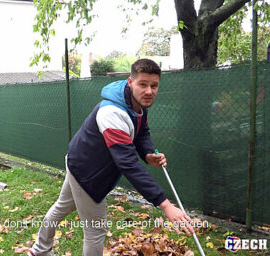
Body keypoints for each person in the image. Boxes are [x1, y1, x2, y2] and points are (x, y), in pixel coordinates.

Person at [29, 59, 194, 256]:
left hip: (79, 160)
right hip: (86, 171)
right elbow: (128, 163)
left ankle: (38, 251)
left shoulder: (137, 102)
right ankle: (40, 250)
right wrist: (165, 205)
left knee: (61, 207)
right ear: (130, 82)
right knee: (96, 229)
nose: (149, 91)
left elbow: (141, 132)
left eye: (154, 85)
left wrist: (148, 154)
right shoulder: (112, 113)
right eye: (143, 84)